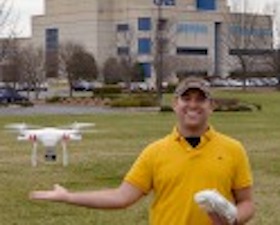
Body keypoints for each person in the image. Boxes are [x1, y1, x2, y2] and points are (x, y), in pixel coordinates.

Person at [30, 77, 255, 225]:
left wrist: (233, 219)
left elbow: (247, 203)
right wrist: (68, 197)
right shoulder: (155, 152)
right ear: (175, 104)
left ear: (211, 106)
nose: (193, 105)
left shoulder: (233, 149)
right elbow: (121, 197)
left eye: (200, 99)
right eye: (186, 98)